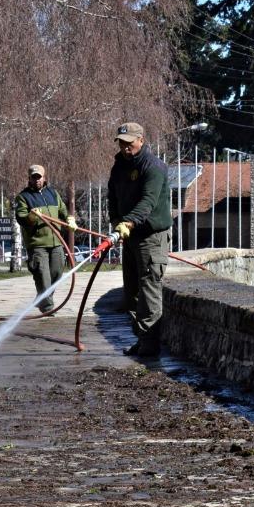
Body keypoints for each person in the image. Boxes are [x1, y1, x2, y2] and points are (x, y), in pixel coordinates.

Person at [107, 121, 171, 357]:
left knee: (149, 289)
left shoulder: (154, 167)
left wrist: (129, 221)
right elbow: (112, 195)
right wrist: (116, 220)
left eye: (129, 143)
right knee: (132, 291)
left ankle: (150, 345)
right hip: (129, 236)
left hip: (150, 237)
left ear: (141, 140)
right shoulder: (119, 167)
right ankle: (142, 338)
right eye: (122, 143)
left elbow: (148, 201)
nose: (125, 148)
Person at [14, 164, 75, 314]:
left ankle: (42, 298)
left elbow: (62, 210)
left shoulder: (53, 194)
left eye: (38, 177)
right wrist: (31, 216)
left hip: (56, 242)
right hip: (37, 245)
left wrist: (70, 219)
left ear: (44, 177)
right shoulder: (23, 197)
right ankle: (47, 308)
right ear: (29, 178)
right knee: (43, 277)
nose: (36, 180)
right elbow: (21, 218)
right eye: (33, 177)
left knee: (57, 273)